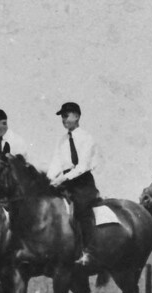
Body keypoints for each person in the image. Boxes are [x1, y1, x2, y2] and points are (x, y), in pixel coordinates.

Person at [47, 102, 102, 267]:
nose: (63, 120)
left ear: (77, 116)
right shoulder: (62, 140)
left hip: (82, 181)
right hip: (65, 181)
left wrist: (63, 179)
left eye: (66, 116)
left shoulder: (87, 138)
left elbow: (82, 166)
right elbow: (56, 162)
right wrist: (49, 180)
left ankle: (87, 251)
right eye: (62, 117)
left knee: (81, 208)